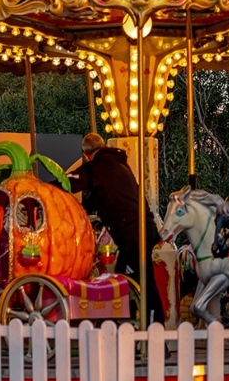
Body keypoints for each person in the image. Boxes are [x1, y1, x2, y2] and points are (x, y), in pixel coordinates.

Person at [68, 133, 165, 324]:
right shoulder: (121, 165)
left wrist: (44, 187)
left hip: (132, 233)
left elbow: (68, 182)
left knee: (143, 283)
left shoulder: (96, 168)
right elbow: (92, 200)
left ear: (86, 155)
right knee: (124, 279)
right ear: (103, 145)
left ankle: (156, 332)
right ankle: (127, 326)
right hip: (145, 227)